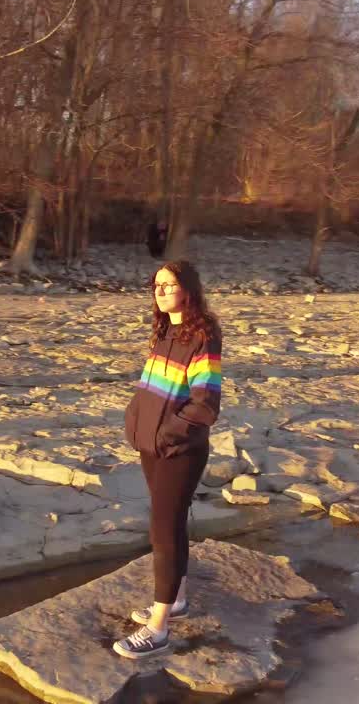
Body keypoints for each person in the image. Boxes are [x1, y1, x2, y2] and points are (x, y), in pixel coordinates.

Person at [115, 259, 222, 659]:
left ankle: (157, 630)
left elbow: (205, 404)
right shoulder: (164, 330)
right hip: (152, 446)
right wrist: (135, 421)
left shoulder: (203, 334)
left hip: (181, 449)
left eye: (169, 285)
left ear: (188, 290)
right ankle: (176, 600)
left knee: (162, 530)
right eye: (156, 285)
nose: (159, 291)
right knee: (170, 524)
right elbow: (148, 388)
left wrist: (165, 433)